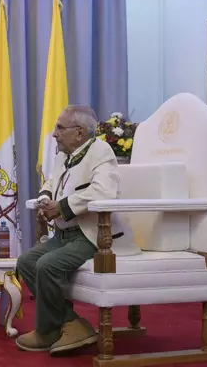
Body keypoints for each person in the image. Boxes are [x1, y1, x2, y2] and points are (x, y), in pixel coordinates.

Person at [15, 105, 140, 355]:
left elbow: (103, 192)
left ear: (80, 132)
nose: (54, 134)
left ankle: (49, 330)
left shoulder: (101, 152)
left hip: (92, 235)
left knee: (46, 265)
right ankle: (70, 323)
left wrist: (60, 207)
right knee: (26, 261)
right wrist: (44, 200)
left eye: (60, 128)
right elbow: (52, 181)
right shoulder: (64, 154)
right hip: (64, 234)